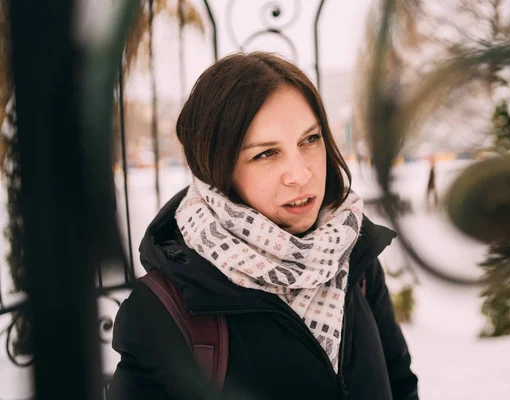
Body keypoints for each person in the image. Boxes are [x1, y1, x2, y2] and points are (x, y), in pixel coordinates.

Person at [108, 52, 419, 400]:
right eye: (266, 153)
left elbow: (400, 383)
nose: (301, 174)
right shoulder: (162, 312)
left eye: (310, 139)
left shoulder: (352, 253)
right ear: (218, 169)